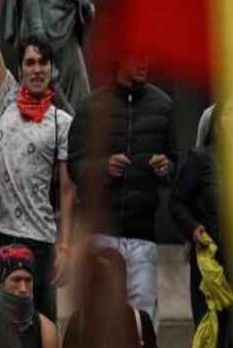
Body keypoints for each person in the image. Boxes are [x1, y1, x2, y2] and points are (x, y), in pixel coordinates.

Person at [0, 0, 74, 321]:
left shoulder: (61, 121)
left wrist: (65, 244)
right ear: (20, 70)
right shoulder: (4, 96)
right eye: (30, 63)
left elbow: (67, 189)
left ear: (52, 70)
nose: (36, 69)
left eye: (43, 63)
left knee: (42, 324)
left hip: (39, 237)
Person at [68, 59, 177, 324]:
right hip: (100, 235)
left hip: (143, 238)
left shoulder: (163, 105)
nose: (144, 63)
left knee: (144, 322)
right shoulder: (91, 107)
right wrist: (104, 167)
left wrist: (166, 167)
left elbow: (174, 165)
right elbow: (74, 166)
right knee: (99, 322)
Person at [170, 103, 233, 347]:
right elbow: (176, 203)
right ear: (216, 125)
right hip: (210, 270)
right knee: (212, 336)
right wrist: (193, 227)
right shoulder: (200, 160)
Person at [62, 248, 158, 348]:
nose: (103, 288)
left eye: (109, 282)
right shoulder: (78, 322)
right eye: (98, 280)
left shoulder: (140, 321)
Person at [0, 245, 57, 348]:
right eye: (16, 280)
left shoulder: (46, 329)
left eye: (28, 280)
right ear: (1, 283)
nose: (23, 289)